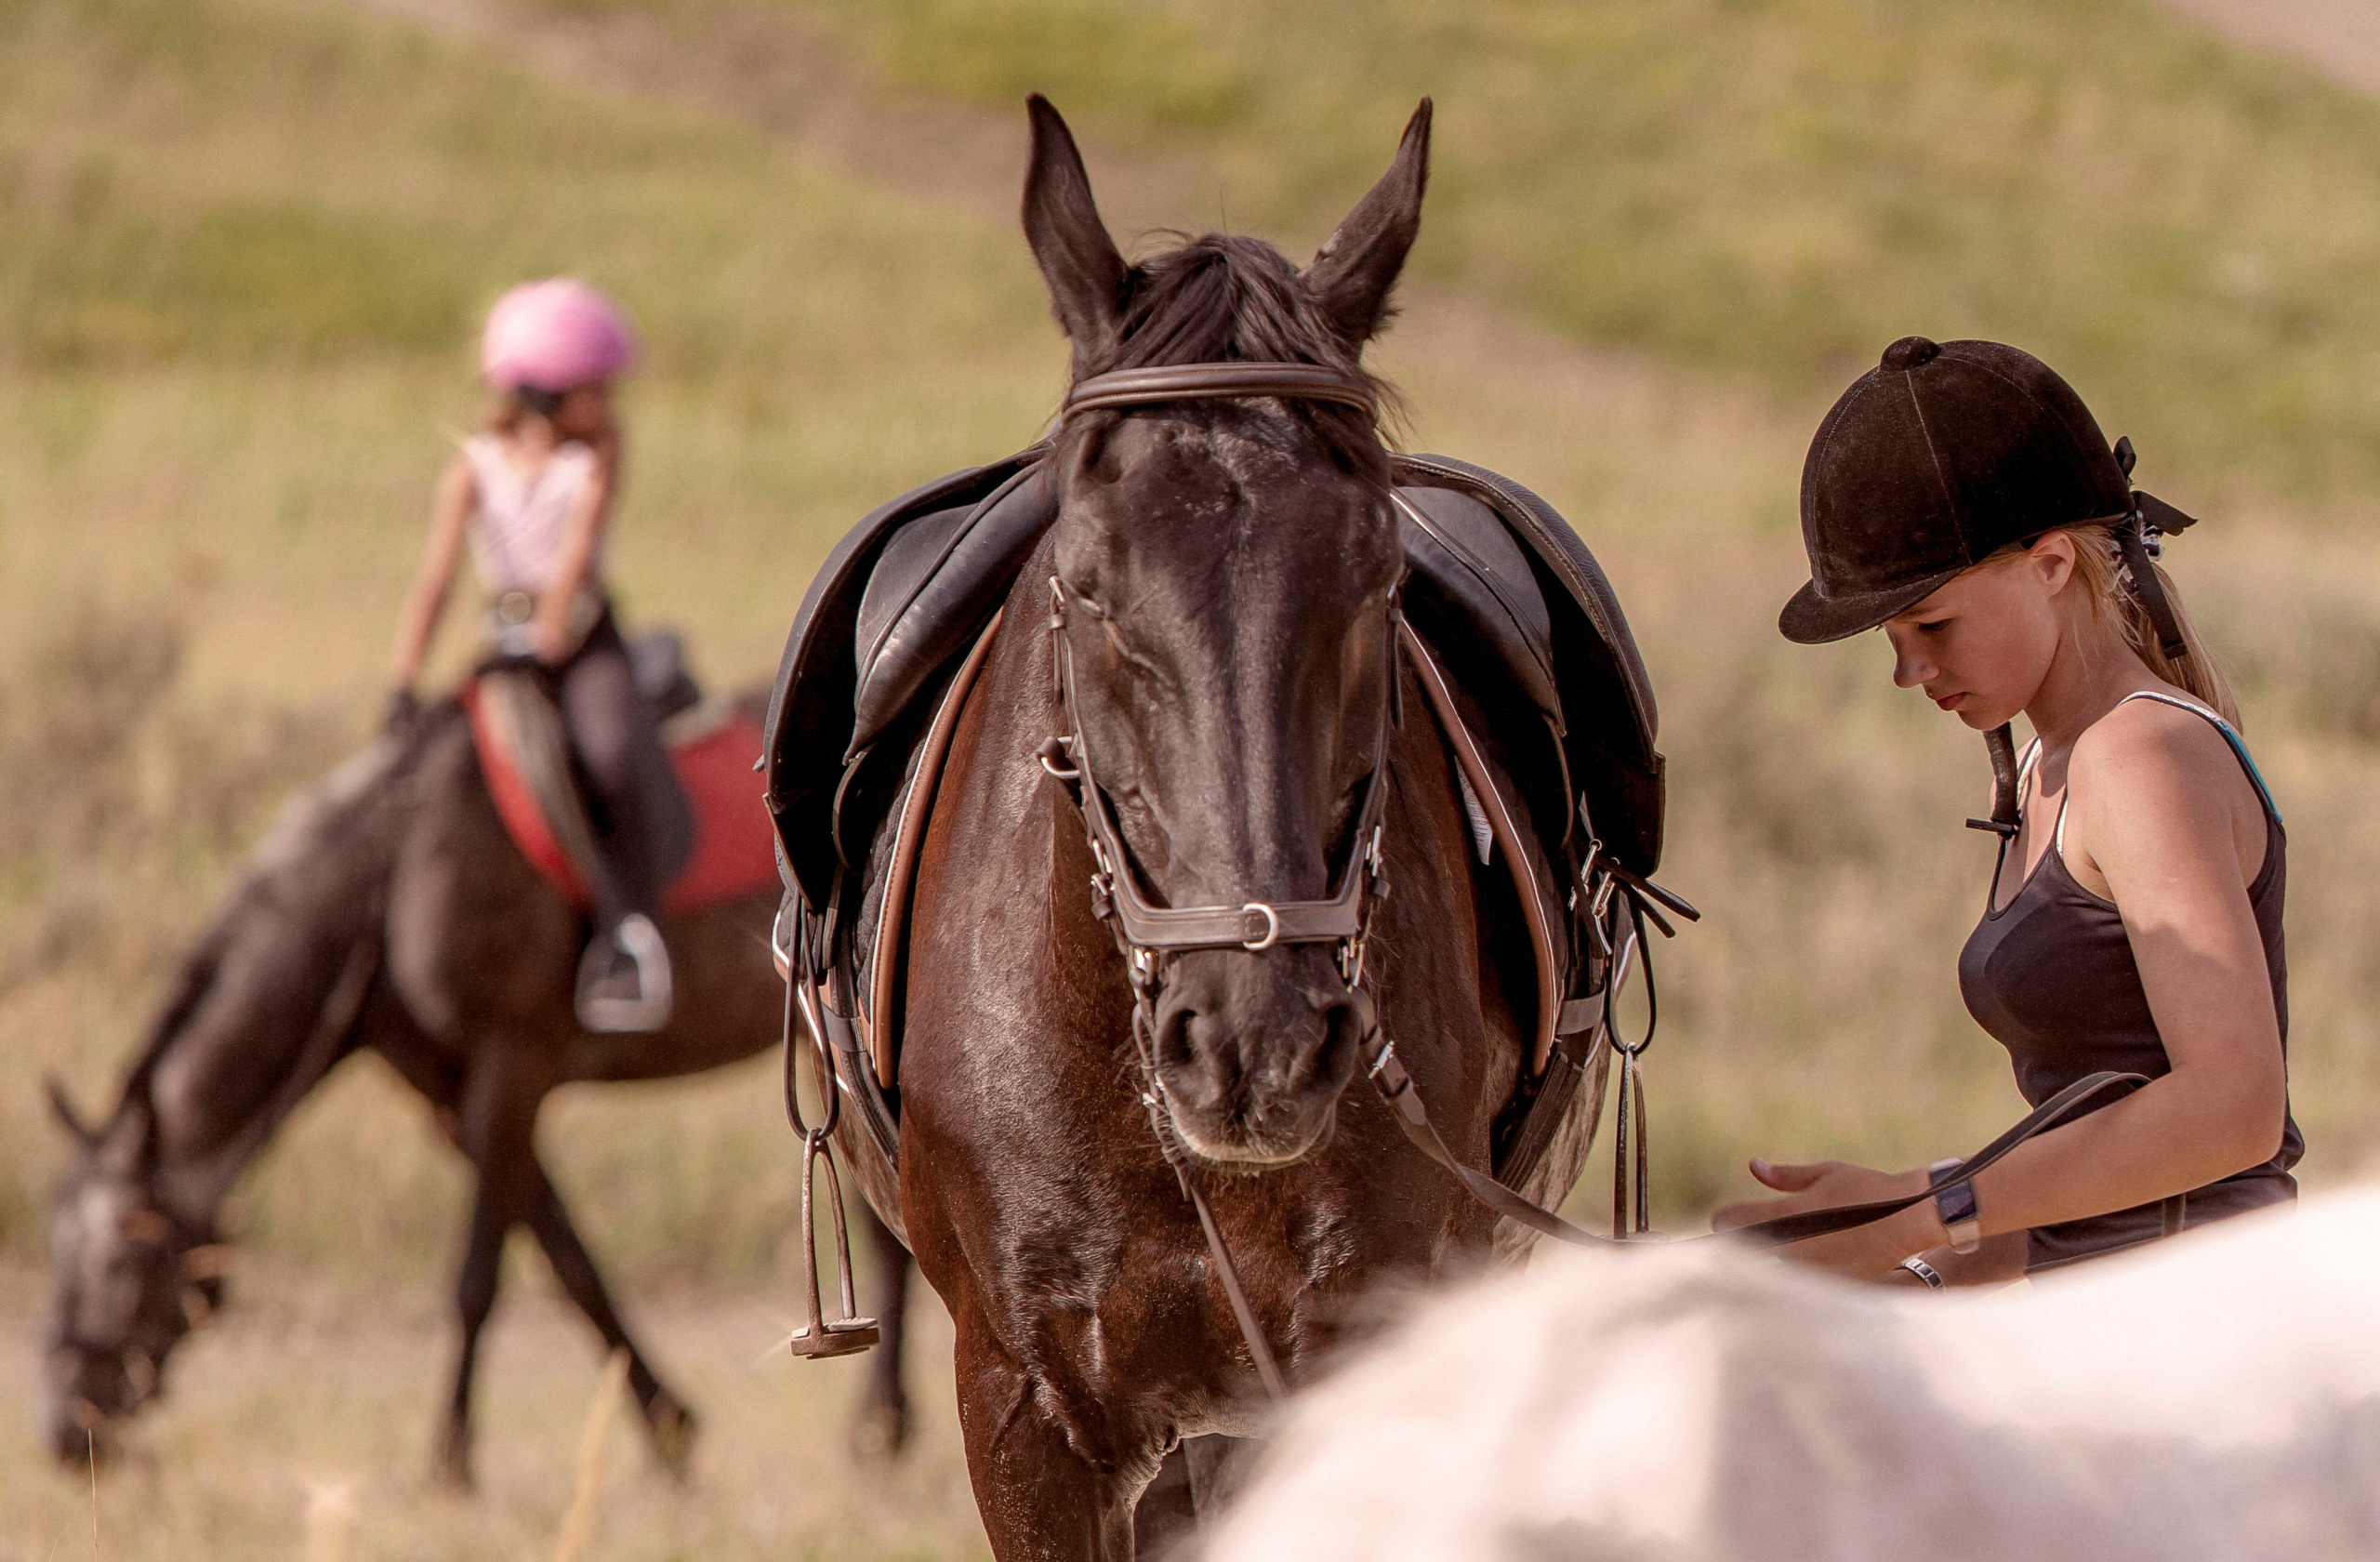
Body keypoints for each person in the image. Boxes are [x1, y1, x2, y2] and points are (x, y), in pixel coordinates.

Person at [1713, 336, 2300, 1284]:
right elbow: (2086, 1178)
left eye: (1932, 626)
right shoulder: (2048, 766)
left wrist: (1923, 1210)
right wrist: (1912, 1265)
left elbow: (2233, 1111)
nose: (1908, 673)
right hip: (2090, 1317)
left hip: (2200, 1342)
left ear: (2051, 564)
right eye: (1892, 640)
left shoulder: (2139, 756)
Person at [390, 278, 677, 1034]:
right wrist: (402, 680)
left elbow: (577, 557)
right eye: (595, 389)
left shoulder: (598, 458)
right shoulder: (471, 470)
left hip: (581, 642)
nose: (609, 404)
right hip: (508, 645)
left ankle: (631, 931)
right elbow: (436, 579)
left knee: (610, 751)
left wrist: (549, 637)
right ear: (545, 392)